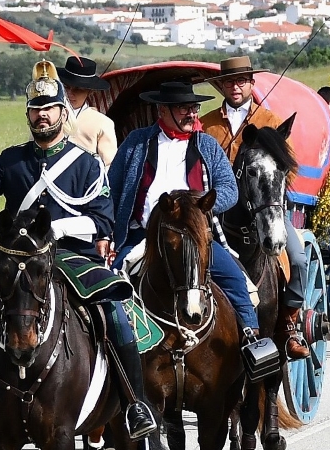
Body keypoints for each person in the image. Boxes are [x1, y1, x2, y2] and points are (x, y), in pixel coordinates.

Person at [0, 62, 157, 448]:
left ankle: (136, 404)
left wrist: (60, 229)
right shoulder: (12, 161)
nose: (42, 115)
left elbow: (102, 221)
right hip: (20, 261)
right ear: (28, 115)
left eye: (49, 108)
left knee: (116, 317)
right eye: (35, 109)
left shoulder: (86, 164)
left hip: (73, 258)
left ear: (62, 113)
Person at [106, 80, 272, 358]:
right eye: (183, 109)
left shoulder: (206, 145)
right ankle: (116, 351)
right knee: (115, 284)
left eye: (194, 108)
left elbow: (229, 189)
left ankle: (251, 340)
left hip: (195, 237)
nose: (192, 114)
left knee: (233, 278)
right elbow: (113, 188)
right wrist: (106, 234)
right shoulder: (137, 143)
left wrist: (199, 207)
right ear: (162, 110)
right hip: (143, 238)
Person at [198, 55, 309, 360]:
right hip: (218, 209)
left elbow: (288, 167)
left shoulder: (270, 121)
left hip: (264, 205)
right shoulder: (206, 124)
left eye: (241, 81)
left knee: (298, 259)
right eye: (229, 81)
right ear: (222, 86)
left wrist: (270, 195)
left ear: (250, 84)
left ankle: (288, 324)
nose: (235, 86)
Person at [57, 54, 118, 166]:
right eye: (66, 87)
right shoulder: (48, 115)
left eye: (78, 89)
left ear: (90, 92)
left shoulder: (102, 123)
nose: (70, 93)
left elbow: (109, 165)